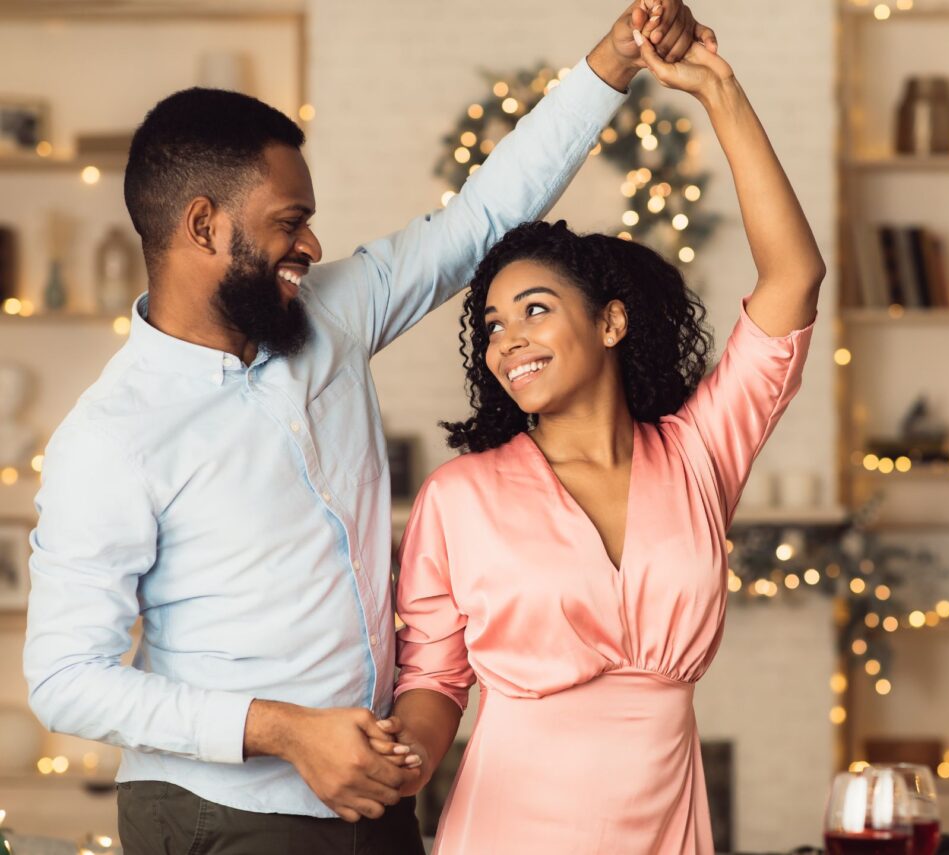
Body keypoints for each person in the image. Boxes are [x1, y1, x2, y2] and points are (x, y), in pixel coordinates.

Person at [22, 4, 712, 853]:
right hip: (223, 814)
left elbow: (480, 222)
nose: (310, 244)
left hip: (376, 799)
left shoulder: (333, 317)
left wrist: (613, 60)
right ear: (204, 225)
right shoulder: (111, 437)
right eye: (287, 221)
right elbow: (63, 681)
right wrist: (282, 729)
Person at [386, 26, 825, 855]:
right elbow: (434, 681)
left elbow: (794, 278)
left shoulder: (699, 454)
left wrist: (718, 94)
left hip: (667, 832)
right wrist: (404, 757)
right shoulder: (461, 495)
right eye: (493, 324)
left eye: (536, 309)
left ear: (612, 320)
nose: (507, 338)